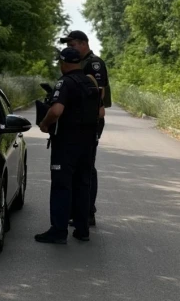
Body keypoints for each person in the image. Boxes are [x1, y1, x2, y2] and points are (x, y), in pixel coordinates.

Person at [34, 47, 100, 244]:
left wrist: (45, 124)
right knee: (82, 184)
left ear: (63, 63)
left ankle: (59, 230)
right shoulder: (90, 82)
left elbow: (56, 110)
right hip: (88, 142)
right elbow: (99, 113)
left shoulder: (65, 82)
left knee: (62, 185)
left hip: (67, 142)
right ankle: (82, 230)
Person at [60, 30, 110, 226]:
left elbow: (99, 92)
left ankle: (87, 211)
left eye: (72, 45)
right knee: (79, 165)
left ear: (83, 44)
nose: (69, 48)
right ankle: (80, 210)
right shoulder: (80, 62)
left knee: (87, 167)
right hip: (79, 120)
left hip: (90, 120)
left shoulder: (93, 63)